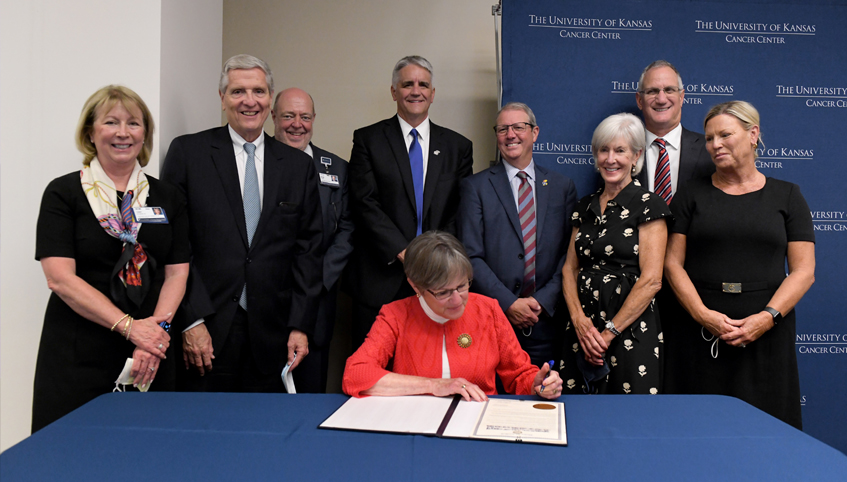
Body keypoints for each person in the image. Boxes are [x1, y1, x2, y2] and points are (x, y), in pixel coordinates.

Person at [160, 54, 323, 392]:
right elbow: (174, 244)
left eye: (259, 91)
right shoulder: (189, 153)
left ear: (270, 100)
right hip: (207, 330)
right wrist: (191, 319)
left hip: (274, 334)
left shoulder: (296, 166)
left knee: (266, 437)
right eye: (238, 92)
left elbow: (308, 251)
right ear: (222, 99)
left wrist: (300, 325)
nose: (250, 101)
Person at [33, 85, 189, 431]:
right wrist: (131, 329)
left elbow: (177, 273)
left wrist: (155, 333)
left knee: (149, 455)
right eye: (111, 122)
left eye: (133, 123)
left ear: (144, 133)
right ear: (90, 131)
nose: (123, 133)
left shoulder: (168, 196)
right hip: (80, 350)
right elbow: (59, 278)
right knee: (71, 455)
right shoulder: (63, 193)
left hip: (151, 353)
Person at [663, 101, 815, 428]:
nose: (715, 145)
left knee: (768, 434)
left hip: (767, 335)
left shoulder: (788, 195)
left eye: (725, 135)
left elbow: (804, 271)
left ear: (753, 134)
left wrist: (766, 318)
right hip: (698, 333)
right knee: (695, 430)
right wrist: (704, 316)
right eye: (708, 138)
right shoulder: (689, 194)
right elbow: (672, 264)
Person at [346, 55, 474, 350]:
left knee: (429, 369)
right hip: (381, 277)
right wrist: (405, 253)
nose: (415, 91)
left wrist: (432, 257)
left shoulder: (458, 146)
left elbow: (459, 208)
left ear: (432, 93)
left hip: (439, 281)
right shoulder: (368, 139)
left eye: (423, 85)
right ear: (394, 92)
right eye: (407, 84)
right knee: (375, 372)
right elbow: (364, 202)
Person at [343, 231, 562, 400]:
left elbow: (519, 375)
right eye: (443, 292)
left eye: (462, 286)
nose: (457, 300)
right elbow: (356, 375)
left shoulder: (489, 310)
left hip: (476, 423)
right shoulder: (395, 315)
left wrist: (539, 383)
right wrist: (434, 385)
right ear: (415, 286)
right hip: (418, 426)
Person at [457, 102, 577, 368]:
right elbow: (470, 255)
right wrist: (509, 303)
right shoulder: (475, 187)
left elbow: (570, 255)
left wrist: (541, 302)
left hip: (545, 320)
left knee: (540, 398)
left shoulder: (561, 187)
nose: (510, 135)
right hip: (492, 319)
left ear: (534, 133)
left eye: (518, 127)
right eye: (502, 129)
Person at [559, 113, 671, 394]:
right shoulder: (583, 206)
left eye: (620, 150)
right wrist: (579, 322)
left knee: (630, 418)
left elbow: (652, 280)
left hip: (630, 330)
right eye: (603, 150)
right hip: (582, 331)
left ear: (636, 156)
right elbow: (569, 269)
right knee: (577, 414)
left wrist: (608, 333)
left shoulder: (649, 205)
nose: (611, 159)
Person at [635, 60, 715, 386]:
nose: (661, 97)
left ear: (683, 97)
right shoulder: (622, 151)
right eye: (652, 91)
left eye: (669, 90)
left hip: (698, 289)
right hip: (636, 289)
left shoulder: (712, 151)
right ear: (639, 100)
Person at [272, 87, 354, 393]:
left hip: (318, 299)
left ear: (314, 119)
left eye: (305, 117)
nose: (297, 124)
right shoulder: (259, 164)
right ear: (273, 117)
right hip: (268, 298)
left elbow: (347, 229)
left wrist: (316, 279)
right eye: (289, 116)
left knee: (310, 390)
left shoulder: (336, 169)